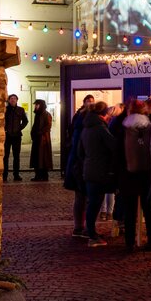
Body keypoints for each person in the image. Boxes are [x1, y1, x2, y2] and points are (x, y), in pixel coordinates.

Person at [118, 100, 151, 252]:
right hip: (147, 174)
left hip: (128, 174)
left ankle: (129, 242)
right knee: (148, 210)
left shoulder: (123, 128)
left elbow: (118, 153)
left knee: (130, 210)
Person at [79, 101, 118, 247]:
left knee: (92, 203)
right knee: (95, 203)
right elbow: (113, 146)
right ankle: (92, 235)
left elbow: (79, 151)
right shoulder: (100, 128)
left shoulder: (86, 128)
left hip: (89, 169)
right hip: (100, 170)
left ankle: (90, 230)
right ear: (103, 114)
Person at [64, 94, 94, 237]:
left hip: (75, 164)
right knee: (88, 198)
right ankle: (87, 228)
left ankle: (78, 227)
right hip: (83, 166)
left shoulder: (77, 122)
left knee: (80, 197)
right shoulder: (87, 127)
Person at [3, 94, 28, 182]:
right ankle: (4, 175)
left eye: (14, 99)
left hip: (17, 136)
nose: (13, 100)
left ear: (17, 100)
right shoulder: (5, 110)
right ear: (9, 100)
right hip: (7, 136)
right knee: (5, 156)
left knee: (16, 156)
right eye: (11, 99)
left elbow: (25, 121)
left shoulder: (21, 110)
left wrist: (19, 127)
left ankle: (16, 175)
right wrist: (4, 129)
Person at [29, 99, 53, 181]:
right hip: (37, 139)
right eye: (35, 105)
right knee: (37, 157)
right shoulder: (38, 115)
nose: (36, 106)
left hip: (43, 140)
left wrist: (39, 133)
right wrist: (33, 134)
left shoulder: (46, 114)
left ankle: (43, 175)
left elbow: (48, 126)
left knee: (43, 157)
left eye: (37, 105)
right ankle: (38, 175)